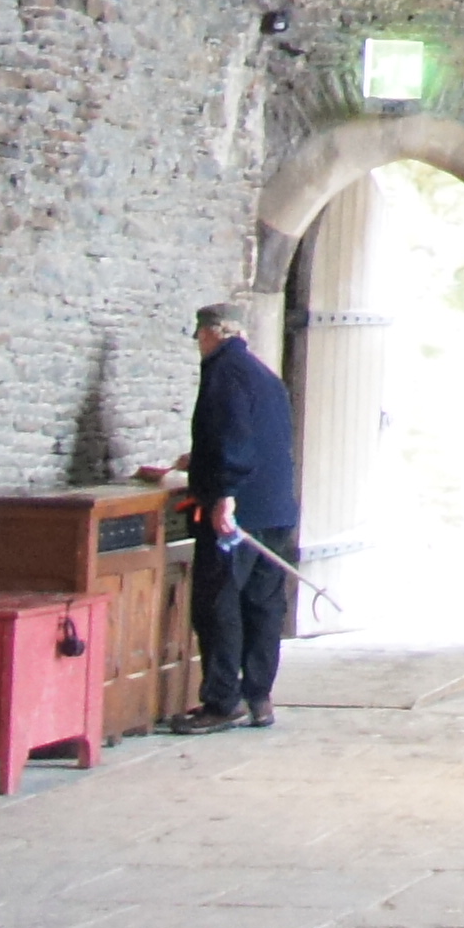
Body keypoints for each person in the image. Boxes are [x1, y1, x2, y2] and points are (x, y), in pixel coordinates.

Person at [169, 299, 299, 730]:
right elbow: (258, 436)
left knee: (218, 603)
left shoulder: (223, 372)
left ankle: (223, 700)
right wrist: (202, 460)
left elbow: (233, 435)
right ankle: (259, 696)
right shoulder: (265, 376)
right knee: (262, 604)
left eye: (200, 337)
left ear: (211, 334)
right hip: (276, 507)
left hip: (240, 512)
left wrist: (224, 494)